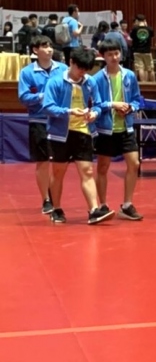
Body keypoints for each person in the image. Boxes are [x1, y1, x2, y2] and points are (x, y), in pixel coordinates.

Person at [42, 46, 115, 225]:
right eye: (79, 68)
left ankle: (94, 210)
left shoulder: (90, 82)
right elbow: (48, 106)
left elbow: (98, 104)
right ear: (71, 62)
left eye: (86, 69)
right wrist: (69, 111)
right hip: (60, 135)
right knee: (58, 172)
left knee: (87, 171)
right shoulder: (55, 82)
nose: (82, 72)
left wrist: (94, 113)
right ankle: (57, 209)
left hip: (83, 132)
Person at [92, 40, 144, 221]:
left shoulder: (129, 75)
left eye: (116, 53)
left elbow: (137, 99)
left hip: (126, 128)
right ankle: (103, 205)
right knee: (103, 167)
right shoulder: (97, 79)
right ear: (103, 56)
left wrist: (130, 107)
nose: (114, 57)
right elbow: (96, 104)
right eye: (109, 54)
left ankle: (127, 205)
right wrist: (113, 105)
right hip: (106, 129)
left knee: (134, 163)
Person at [18, 36, 68, 214]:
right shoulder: (27, 72)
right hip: (38, 121)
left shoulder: (63, 69)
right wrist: (42, 96)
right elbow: (23, 97)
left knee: (59, 163)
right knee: (43, 161)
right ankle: (46, 199)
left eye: (50, 46)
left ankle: (55, 197)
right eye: (44, 46)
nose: (49, 49)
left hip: (59, 120)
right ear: (35, 50)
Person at [131, 15, 155, 82]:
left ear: (137, 20)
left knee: (140, 68)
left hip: (137, 51)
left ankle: (143, 83)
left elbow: (132, 37)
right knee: (150, 69)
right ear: (144, 20)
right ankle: (154, 83)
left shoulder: (134, 29)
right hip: (147, 51)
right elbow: (152, 36)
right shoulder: (149, 29)